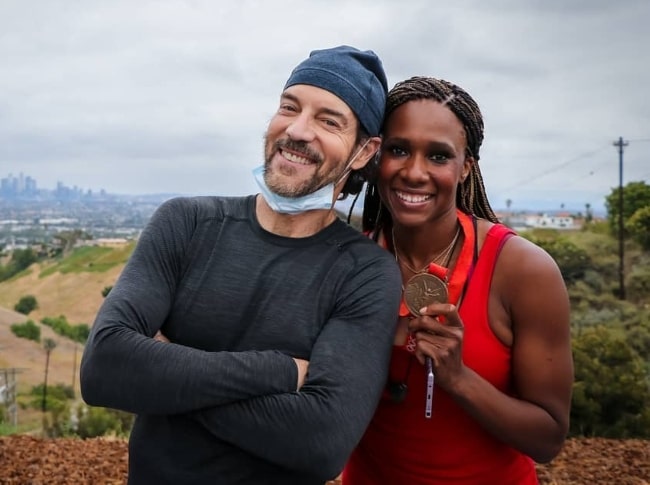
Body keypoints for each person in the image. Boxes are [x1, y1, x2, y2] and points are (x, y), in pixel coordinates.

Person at [80, 45, 403, 485]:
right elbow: (104, 369)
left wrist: (165, 373)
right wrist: (282, 371)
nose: (298, 129)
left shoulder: (365, 273)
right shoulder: (188, 223)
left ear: (365, 151)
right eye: (289, 107)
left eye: (329, 121)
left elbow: (320, 443)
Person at [342, 76, 574, 484]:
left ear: (466, 166)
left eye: (438, 156)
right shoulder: (346, 263)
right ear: (377, 156)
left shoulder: (523, 271)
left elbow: (548, 437)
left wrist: (459, 379)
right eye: (398, 149)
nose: (414, 172)